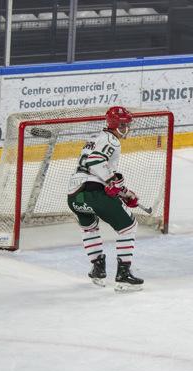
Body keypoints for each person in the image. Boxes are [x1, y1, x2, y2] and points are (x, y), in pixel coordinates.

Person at [66, 106, 144, 291]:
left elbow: (96, 166)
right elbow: (95, 161)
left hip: (74, 196)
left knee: (89, 228)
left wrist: (123, 191)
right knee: (129, 227)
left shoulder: (94, 138)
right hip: (93, 193)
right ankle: (123, 276)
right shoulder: (112, 141)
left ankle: (98, 269)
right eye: (123, 125)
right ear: (115, 125)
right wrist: (113, 183)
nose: (126, 129)